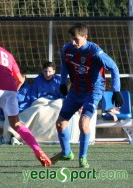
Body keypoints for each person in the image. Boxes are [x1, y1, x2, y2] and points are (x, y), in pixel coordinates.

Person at [0, 28, 51, 167]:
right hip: (10, 90)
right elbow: (20, 78)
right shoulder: (8, 54)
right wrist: (12, 91)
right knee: (16, 124)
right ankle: (39, 151)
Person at [51, 23, 123, 168]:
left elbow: (114, 67)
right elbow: (65, 66)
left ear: (85, 37)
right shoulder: (67, 49)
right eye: (71, 39)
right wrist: (63, 83)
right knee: (60, 124)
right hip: (76, 91)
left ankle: (82, 158)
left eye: (76, 39)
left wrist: (116, 91)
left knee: (83, 123)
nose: (73, 42)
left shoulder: (95, 51)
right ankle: (66, 153)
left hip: (92, 91)